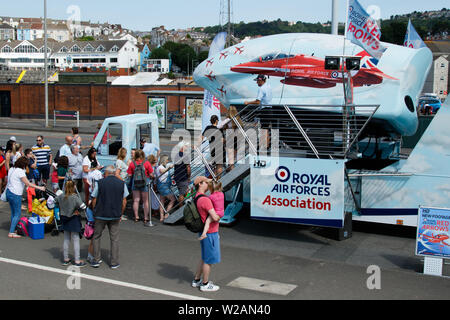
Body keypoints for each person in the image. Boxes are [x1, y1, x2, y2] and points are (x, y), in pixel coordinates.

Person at [90, 165, 129, 269]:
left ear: (106, 173)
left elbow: (94, 198)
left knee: (97, 236)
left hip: (101, 214)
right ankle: (114, 261)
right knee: (114, 238)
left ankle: (96, 259)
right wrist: (121, 212)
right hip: (115, 214)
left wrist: (95, 210)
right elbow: (124, 200)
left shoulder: (100, 183)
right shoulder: (121, 183)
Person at [191, 176, 222, 292]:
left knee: (204, 257)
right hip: (210, 233)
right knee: (209, 260)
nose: (208, 185)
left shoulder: (197, 197)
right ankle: (205, 283)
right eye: (206, 183)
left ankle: (196, 280)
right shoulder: (205, 199)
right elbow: (214, 217)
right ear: (200, 184)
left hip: (203, 231)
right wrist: (220, 214)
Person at [5, 156, 45, 238]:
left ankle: (13, 229)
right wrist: (40, 187)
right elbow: (28, 183)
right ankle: (11, 232)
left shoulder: (12, 169)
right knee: (17, 213)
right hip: (15, 194)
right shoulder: (20, 171)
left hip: (9, 192)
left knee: (13, 212)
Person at [56, 180, 86, 267]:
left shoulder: (61, 196)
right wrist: (78, 210)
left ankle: (66, 259)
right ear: (74, 187)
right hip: (73, 218)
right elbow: (83, 206)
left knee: (66, 239)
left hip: (64, 218)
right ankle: (77, 260)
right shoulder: (75, 197)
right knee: (75, 239)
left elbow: (53, 202)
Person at [244, 74, 273, 150]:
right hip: (270, 109)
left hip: (265, 110)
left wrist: (248, 102)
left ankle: (264, 146)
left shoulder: (261, 89)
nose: (257, 83)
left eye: (257, 81)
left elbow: (257, 102)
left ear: (261, 80)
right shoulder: (268, 86)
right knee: (266, 128)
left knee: (264, 129)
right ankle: (267, 146)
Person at [127, 149, 153, 226]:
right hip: (145, 183)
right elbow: (151, 174)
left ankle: (136, 217)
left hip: (135, 183)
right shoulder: (147, 163)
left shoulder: (132, 163)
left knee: (136, 200)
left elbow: (129, 175)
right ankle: (145, 217)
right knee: (145, 201)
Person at [156, 154, 175, 222]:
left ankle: (161, 217)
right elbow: (162, 171)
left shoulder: (162, 167)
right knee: (172, 199)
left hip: (163, 186)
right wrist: (169, 168)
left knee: (162, 201)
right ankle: (166, 214)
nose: (167, 161)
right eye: (167, 159)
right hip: (163, 186)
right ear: (164, 160)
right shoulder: (160, 167)